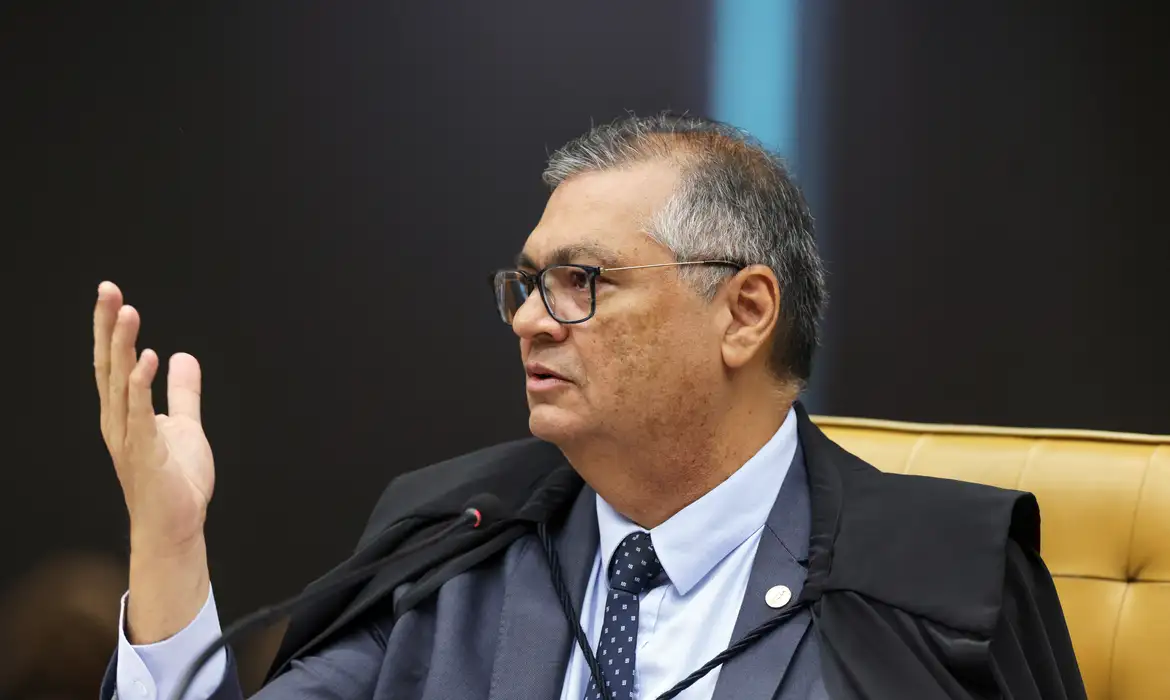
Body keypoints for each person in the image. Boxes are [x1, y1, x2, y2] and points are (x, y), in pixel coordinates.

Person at [91, 115, 1086, 700]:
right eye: (526, 284)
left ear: (744, 313)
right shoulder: (456, 544)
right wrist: (169, 546)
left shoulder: (939, 578)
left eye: (581, 281)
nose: (530, 319)